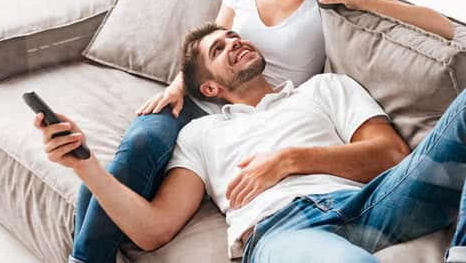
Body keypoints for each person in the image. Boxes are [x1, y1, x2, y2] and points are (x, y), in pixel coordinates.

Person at [71, 0, 456, 263]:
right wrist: (177, 87)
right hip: (253, 167)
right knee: (134, 150)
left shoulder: (327, 50)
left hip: (328, 160)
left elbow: (442, 31)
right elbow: (211, 40)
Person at [36, 24, 466, 263]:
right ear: (209, 88)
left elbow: (392, 156)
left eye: (234, 37)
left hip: (376, 201)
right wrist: (84, 164)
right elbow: (153, 230)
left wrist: (289, 160)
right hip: (283, 228)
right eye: (218, 48)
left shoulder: (325, 88)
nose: (235, 42)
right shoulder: (199, 134)